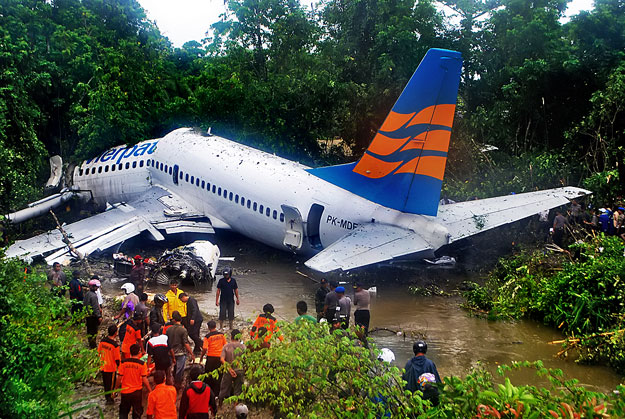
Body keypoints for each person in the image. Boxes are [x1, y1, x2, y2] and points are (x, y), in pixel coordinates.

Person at [116, 343, 152, 419]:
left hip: (125, 391)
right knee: (137, 414)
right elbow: (144, 379)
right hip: (136, 392)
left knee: (123, 413)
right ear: (139, 352)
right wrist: (150, 390)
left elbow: (119, 378)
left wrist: (115, 389)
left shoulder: (123, 362)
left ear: (130, 352)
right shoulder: (142, 364)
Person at [166, 310, 193, 389]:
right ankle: (177, 385)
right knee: (179, 370)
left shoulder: (168, 330)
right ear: (180, 320)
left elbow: (167, 342)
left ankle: (170, 383)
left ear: (173, 320)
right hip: (181, 353)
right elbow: (186, 343)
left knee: (171, 369)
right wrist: (191, 353)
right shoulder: (183, 330)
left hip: (171, 353)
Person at [199, 320, 227, 398]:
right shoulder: (222, 335)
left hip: (211, 358)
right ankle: (217, 393)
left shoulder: (207, 337)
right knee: (219, 375)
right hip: (220, 358)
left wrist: (201, 357)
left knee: (209, 375)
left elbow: (204, 348)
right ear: (215, 326)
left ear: (208, 327)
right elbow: (225, 346)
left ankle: (209, 392)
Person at [219, 329, 246, 404]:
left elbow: (222, 359)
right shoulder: (243, 347)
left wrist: (230, 369)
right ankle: (236, 408)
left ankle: (220, 407)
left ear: (231, 337)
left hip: (228, 371)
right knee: (238, 391)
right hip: (239, 371)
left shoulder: (226, 346)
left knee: (224, 390)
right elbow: (246, 360)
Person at [98, 325, 121, 404]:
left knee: (105, 383)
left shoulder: (102, 341)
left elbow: (99, 352)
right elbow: (117, 359)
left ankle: (107, 397)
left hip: (103, 366)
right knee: (111, 384)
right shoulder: (115, 345)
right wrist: (120, 368)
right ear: (115, 333)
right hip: (111, 368)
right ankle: (110, 399)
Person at [84, 278, 103, 348]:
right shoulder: (94, 296)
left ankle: (90, 343)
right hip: (93, 316)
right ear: (92, 286)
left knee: (89, 330)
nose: (97, 288)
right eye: (96, 286)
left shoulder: (87, 294)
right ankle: (93, 345)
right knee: (93, 331)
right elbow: (95, 307)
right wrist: (99, 316)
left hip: (88, 315)